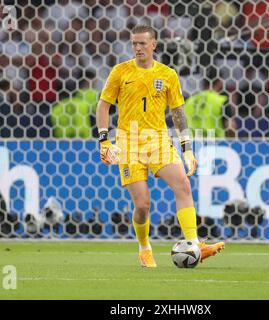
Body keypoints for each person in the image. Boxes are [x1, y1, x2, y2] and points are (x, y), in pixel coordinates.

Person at [96, 25, 224, 268]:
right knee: (142, 204)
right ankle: (145, 248)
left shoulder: (168, 75)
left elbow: (178, 113)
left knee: (183, 184)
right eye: (134, 43)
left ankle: (195, 244)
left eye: (143, 43)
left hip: (158, 141)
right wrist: (104, 140)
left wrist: (187, 148)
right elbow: (103, 106)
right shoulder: (120, 72)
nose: (137, 48)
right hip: (129, 142)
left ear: (154, 44)